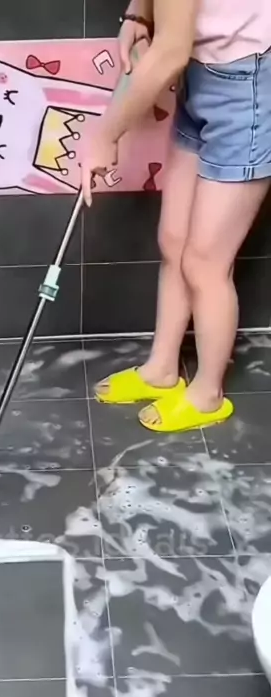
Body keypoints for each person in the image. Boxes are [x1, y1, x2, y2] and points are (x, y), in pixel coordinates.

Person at [81, 0, 271, 432]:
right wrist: (139, 12)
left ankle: (207, 395)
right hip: (202, 74)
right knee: (174, 240)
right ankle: (162, 370)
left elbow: (169, 53)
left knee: (204, 262)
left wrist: (105, 136)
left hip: (247, 89)